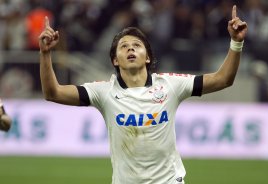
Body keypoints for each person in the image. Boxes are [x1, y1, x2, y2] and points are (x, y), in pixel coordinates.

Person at [38, 5, 247, 184]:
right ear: (115, 60)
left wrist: (236, 43)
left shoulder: (170, 85)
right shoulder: (103, 92)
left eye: (137, 46)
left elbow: (223, 79)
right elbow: (53, 93)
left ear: (147, 57)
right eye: (124, 47)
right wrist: (46, 54)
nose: (131, 49)